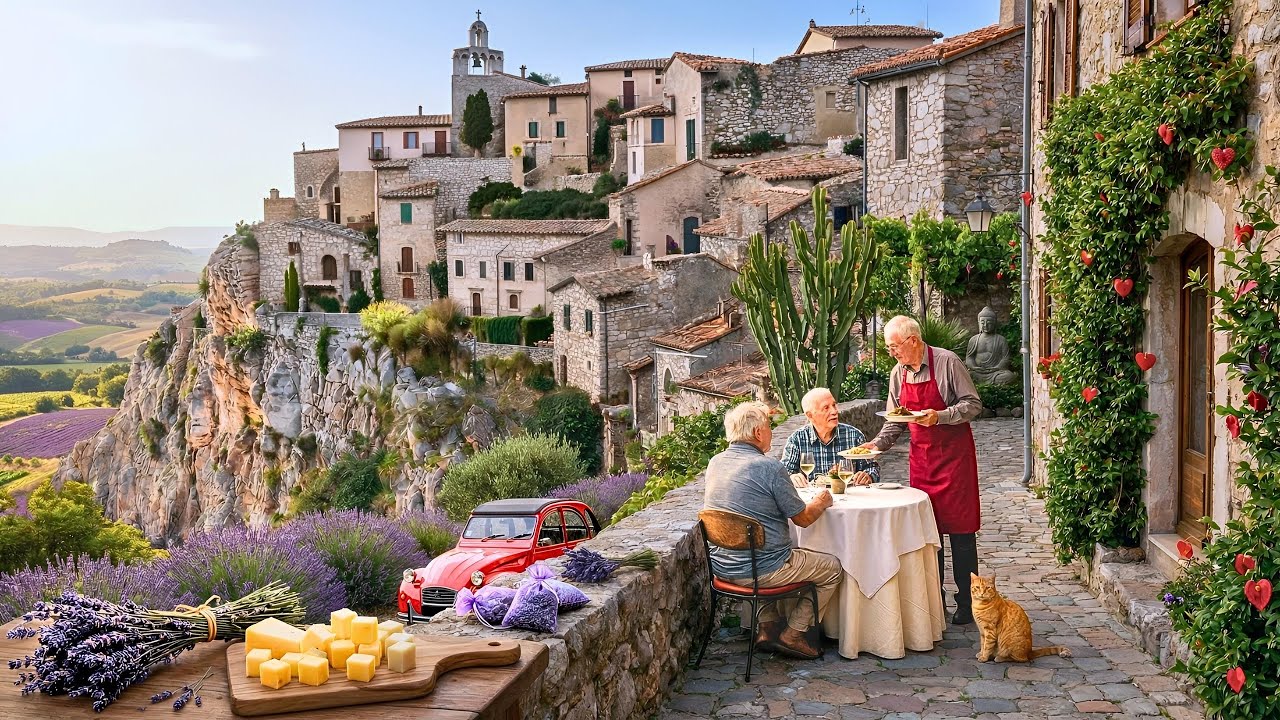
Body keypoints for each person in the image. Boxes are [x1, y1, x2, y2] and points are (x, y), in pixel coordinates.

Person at [860, 315, 983, 625]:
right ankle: (934, 600)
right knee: (931, 537)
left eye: (893, 347)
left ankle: (967, 604)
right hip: (922, 462)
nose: (891, 353)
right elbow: (895, 420)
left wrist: (939, 416)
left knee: (961, 534)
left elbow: (973, 404)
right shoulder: (897, 374)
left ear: (912, 341)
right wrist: (874, 446)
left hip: (955, 460)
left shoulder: (947, 362)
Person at [704, 401, 844, 659]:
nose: (771, 432)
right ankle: (794, 633)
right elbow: (802, 519)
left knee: (760, 551)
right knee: (833, 568)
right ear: (758, 433)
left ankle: (767, 628)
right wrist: (822, 501)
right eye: (768, 427)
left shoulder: (716, 462)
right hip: (762, 571)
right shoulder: (769, 467)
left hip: (722, 566)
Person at [780, 387, 879, 487]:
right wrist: (792, 477)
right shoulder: (797, 439)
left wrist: (868, 476)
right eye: (826, 408)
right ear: (810, 415)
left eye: (834, 405)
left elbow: (872, 467)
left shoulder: (854, 435)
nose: (834, 411)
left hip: (849, 497)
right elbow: (783, 473)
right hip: (814, 498)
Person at [965, 306, 1017, 385]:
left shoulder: (1001, 339)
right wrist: (974, 367)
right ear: (979, 323)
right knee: (966, 376)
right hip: (978, 372)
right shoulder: (974, 340)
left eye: (989, 323)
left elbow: (1006, 358)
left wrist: (997, 367)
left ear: (994, 323)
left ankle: (987, 383)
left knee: (1009, 376)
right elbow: (969, 357)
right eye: (982, 322)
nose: (985, 325)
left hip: (995, 373)